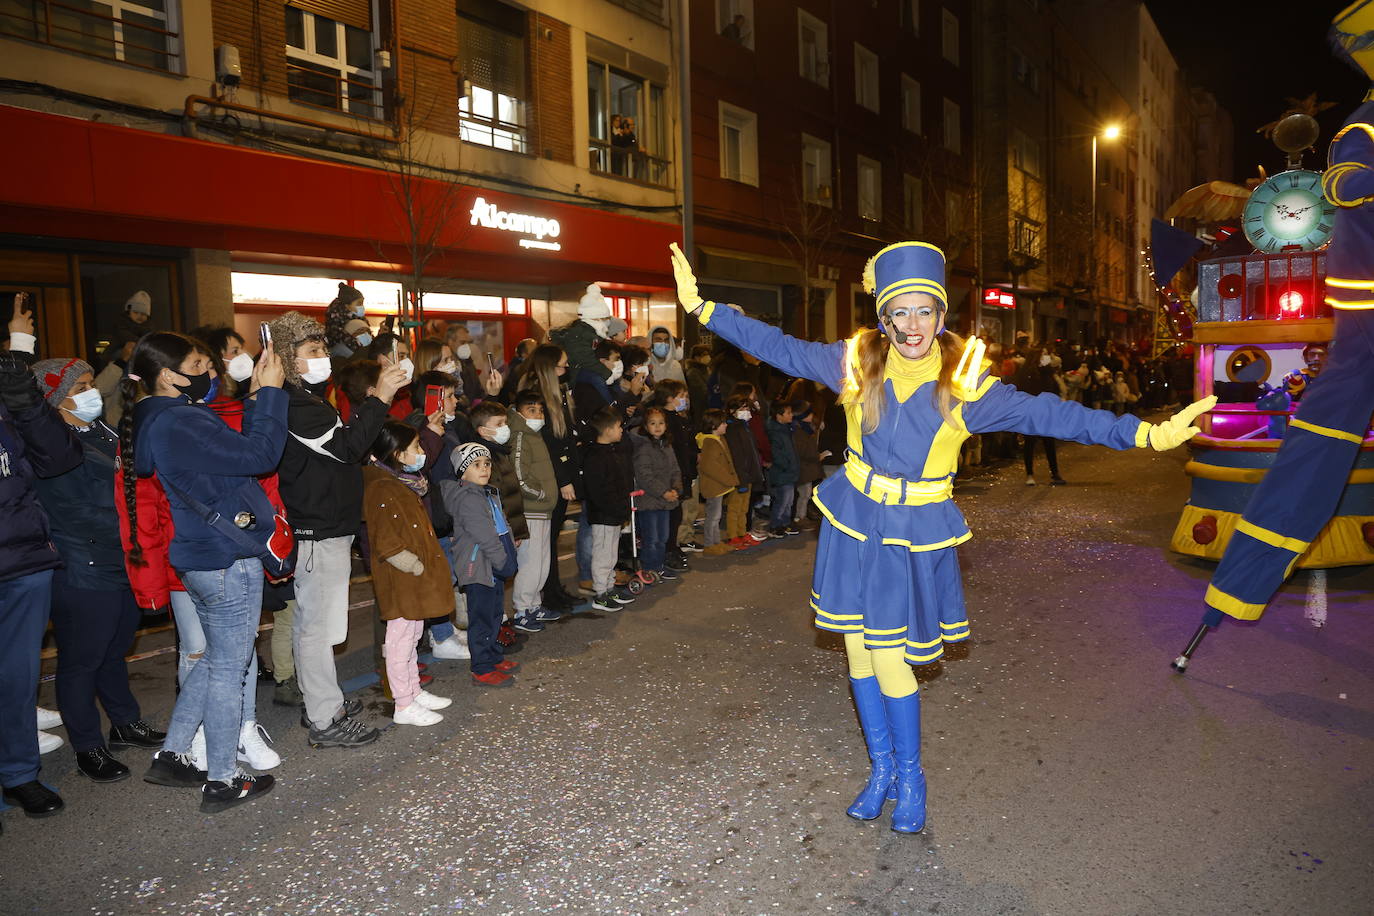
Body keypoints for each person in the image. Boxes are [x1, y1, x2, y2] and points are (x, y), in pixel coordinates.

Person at [669, 240, 1213, 833]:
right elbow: (777, 347)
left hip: (912, 531)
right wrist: (703, 308)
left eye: (923, 310)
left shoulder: (968, 386)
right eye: (899, 312)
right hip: (855, 521)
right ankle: (880, 772)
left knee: (888, 656)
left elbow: (1055, 415)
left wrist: (1146, 435)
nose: (911, 325)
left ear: (941, 314)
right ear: (883, 317)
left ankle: (911, 780)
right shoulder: (853, 364)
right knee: (856, 650)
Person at [1179, 5, 1374, 658]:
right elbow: (1348, 179)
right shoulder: (1360, 131)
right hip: (1363, 330)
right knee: (1313, 448)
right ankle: (1240, 583)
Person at [124, 330, 289, 812]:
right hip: (225, 559)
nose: (212, 374)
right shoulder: (181, 422)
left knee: (217, 657)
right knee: (228, 669)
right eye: (199, 367)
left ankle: (176, 753)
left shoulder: (163, 419)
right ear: (167, 376)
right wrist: (273, 395)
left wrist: (259, 397)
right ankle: (222, 778)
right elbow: (261, 457)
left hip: (201, 558)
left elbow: (239, 457)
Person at [270, 311, 407, 750]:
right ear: (288, 360)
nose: (322, 357)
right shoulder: (296, 405)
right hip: (318, 530)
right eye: (312, 351)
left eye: (323, 349)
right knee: (317, 628)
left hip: (328, 525)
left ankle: (323, 703)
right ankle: (325, 717)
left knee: (318, 625)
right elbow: (348, 447)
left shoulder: (310, 400)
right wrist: (381, 396)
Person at [31, 358, 165, 784]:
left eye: (91, 383)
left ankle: (125, 722)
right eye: (82, 386)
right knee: (82, 660)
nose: (92, 393)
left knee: (115, 647)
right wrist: (134, 522)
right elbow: (76, 509)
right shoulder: (50, 445)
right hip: (82, 566)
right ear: (54, 397)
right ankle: (88, 746)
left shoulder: (101, 429)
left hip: (121, 557)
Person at [0, 294, 83, 822]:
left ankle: (18, 774)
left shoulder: (9, 394)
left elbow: (58, 457)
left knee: (15, 675)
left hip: (21, 559)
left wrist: (20, 386)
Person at [362, 422, 454, 726]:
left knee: (413, 636)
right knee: (400, 641)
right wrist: (416, 566)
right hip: (402, 579)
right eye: (416, 446)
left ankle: (413, 691)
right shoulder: (382, 487)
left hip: (412, 578)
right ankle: (403, 703)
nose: (421, 452)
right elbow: (386, 541)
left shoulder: (399, 482)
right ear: (399, 454)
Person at [441, 443, 521, 688]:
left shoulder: (486, 493)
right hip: (480, 567)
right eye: (476, 465)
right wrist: (503, 561)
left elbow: (501, 526)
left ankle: (493, 657)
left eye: (486, 464)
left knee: (495, 614)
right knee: (482, 619)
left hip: (492, 564)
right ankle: (482, 668)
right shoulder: (468, 498)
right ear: (462, 470)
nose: (484, 469)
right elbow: (485, 535)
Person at [515, 345, 581, 611]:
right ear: (548, 368)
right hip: (548, 479)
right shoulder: (537, 397)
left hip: (556, 475)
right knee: (543, 542)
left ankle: (552, 590)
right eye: (562, 366)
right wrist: (564, 480)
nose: (566, 371)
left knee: (550, 540)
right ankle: (545, 595)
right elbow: (549, 446)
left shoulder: (555, 393)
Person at [469, 401, 537, 631]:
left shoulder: (499, 454)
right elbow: (493, 501)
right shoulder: (483, 460)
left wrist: (515, 532)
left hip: (506, 531)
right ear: (482, 430)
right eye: (499, 424)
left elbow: (509, 496)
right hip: (494, 534)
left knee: (499, 583)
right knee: (491, 583)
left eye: (505, 423)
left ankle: (498, 624)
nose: (504, 428)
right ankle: (493, 629)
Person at [508, 390, 563, 627]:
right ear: (519, 412)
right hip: (531, 509)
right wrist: (540, 494)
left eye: (540, 410)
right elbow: (520, 475)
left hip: (543, 509)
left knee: (542, 561)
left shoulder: (534, 435)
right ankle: (522, 610)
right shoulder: (520, 435)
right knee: (530, 562)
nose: (538, 415)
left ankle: (533, 605)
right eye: (532, 410)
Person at [582, 407, 637, 611]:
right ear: (606, 430)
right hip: (604, 515)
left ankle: (609, 586)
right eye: (617, 426)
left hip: (614, 513)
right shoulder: (595, 456)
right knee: (603, 555)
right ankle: (600, 593)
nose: (621, 430)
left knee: (611, 554)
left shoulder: (612, 451)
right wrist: (615, 509)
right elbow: (598, 491)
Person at [630, 406, 682, 582]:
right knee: (651, 538)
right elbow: (644, 475)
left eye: (661, 423)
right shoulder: (643, 447)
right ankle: (649, 568)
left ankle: (658, 567)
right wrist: (664, 492)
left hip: (666, 500)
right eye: (653, 423)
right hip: (649, 501)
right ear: (646, 426)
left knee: (663, 537)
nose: (657, 427)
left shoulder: (667, 445)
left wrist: (676, 488)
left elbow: (675, 469)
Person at [722, 394, 764, 548]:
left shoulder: (744, 427)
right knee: (735, 508)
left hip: (748, 474)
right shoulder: (732, 429)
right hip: (740, 475)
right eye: (742, 408)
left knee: (744, 507)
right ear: (732, 410)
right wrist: (742, 478)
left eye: (747, 407)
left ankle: (742, 533)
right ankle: (733, 536)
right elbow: (737, 456)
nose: (746, 411)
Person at [696, 408, 739, 556]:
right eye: (723, 423)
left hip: (719, 486)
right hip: (714, 486)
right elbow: (710, 466)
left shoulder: (718, 440)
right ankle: (709, 544)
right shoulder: (710, 443)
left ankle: (716, 542)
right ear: (714, 425)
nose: (726, 425)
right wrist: (729, 479)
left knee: (716, 516)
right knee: (713, 517)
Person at [550, 284, 615, 382]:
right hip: (573, 379)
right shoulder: (581, 334)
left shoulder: (589, 332)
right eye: (605, 318)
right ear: (596, 318)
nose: (607, 322)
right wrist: (606, 373)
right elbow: (585, 358)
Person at [765, 400, 800, 538]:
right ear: (779, 415)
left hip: (789, 471)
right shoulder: (775, 432)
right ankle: (775, 525)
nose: (791, 415)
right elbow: (776, 453)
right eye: (788, 413)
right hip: (782, 472)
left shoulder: (786, 429)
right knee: (782, 500)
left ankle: (785, 523)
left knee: (789, 501)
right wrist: (786, 465)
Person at [791, 399, 823, 529]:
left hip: (807, 468)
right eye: (809, 414)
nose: (812, 416)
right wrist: (817, 456)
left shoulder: (806, 428)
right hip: (803, 468)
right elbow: (803, 450)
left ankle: (802, 516)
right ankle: (799, 517)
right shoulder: (798, 431)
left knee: (806, 493)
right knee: (803, 494)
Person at [324, 284, 367, 364]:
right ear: (347, 306)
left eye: (362, 303)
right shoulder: (335, 319)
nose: (362, 306)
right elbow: (336, 338)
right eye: (358, 303)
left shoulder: (360, 318)